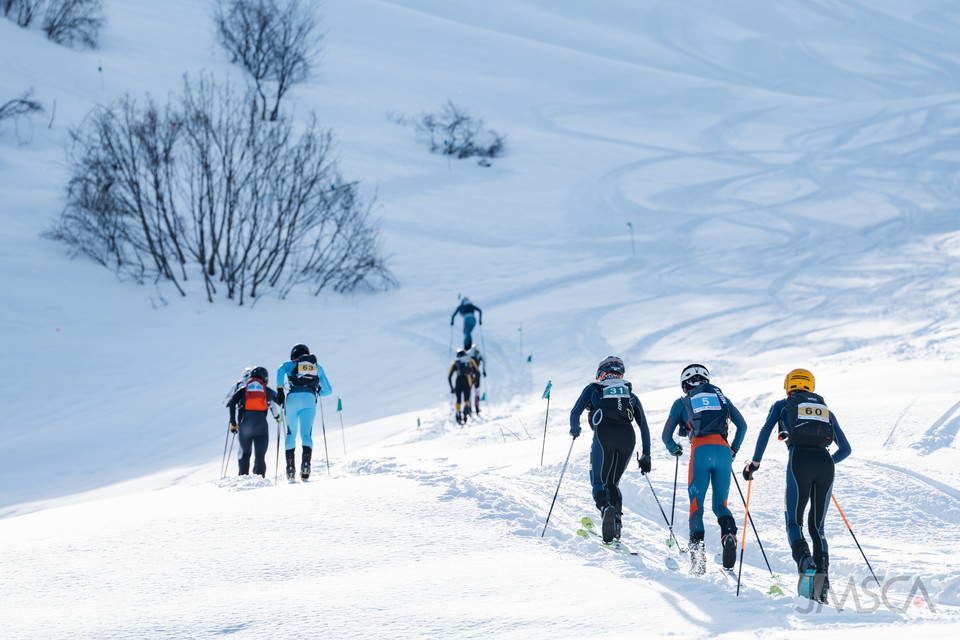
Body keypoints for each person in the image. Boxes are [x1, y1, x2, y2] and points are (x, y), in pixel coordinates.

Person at [742, 368, 851, 603]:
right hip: (825, 463)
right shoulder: (826, 411)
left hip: (798, 460)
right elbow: (846, 449)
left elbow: (764, 432)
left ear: (788, 385)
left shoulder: (783, 404)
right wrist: (826, 464)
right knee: (818, 528)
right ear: (810, 386)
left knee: (794, 522)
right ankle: (821, 586)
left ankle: (805, 562)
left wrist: (755, 463)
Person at [661, 364, 748, 574]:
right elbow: (742, 425)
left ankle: (697, 560)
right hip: (724, 452)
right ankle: (729, 536)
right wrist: (733, 449)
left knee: (695, 507)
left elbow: (666, 436)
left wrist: (675, 449)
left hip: (700, 451)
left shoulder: (682, 402)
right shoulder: (722, 399)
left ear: (685, 384)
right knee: (720, 505)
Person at [569, 356, 651, 543]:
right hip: (628, 437)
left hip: (604, 434)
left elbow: (575, 413)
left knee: (598, 481)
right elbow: (644, 426)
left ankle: (606, 508)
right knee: (613, 482)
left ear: (601, 373)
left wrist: (575, 430)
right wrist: (646, 455)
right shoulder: (630, 393)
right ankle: (616, 523)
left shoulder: (594, 388)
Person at [276, 343, 332, 481]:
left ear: (294, 355)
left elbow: (280, 370)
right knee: (306, 434)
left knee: (291, 433)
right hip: (309, 400)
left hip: (292, 399)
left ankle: (290, 469)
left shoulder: (290, 364)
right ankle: (305, 466)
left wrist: (279, 389)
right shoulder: (317, 367)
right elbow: (329, 391)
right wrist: (319, 391)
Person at [226, 367, 281, 478]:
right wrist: (277, 416)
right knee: (260, 456)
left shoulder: (243, 389)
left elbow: (231, 403)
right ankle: (259, 479)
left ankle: (243, 477)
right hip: (261, 426)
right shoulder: (266, 389)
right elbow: (279, 400)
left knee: (246, 453)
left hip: (245, 425)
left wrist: (233, 422)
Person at [448, 348, 479, 424]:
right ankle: (466, 411)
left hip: (458, 380)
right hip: (467, 380)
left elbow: (449, 376)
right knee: (467, 398)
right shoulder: (470, 360)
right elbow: (477, 372)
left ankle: (458, 412)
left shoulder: (455, 362)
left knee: (458, 399)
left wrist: (452, 388)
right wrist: (474, 381)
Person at [467, 344, 487, 415]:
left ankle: (469, 408)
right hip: (477, 374)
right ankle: (477, 407)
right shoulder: (479, 355)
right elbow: (484, 361)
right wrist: (484, 371)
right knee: (477, 390)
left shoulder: (468, 354)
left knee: (469, 391)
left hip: (470, 374)